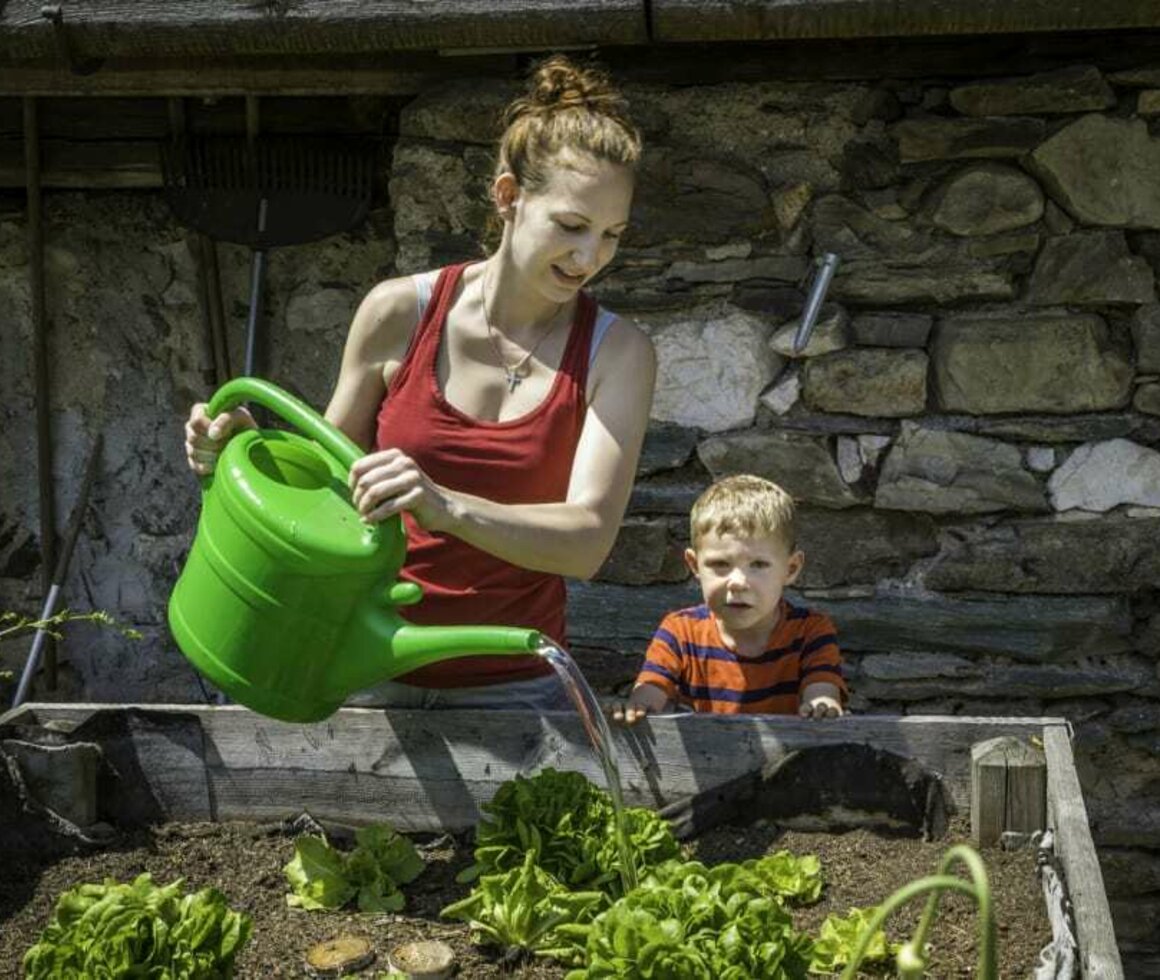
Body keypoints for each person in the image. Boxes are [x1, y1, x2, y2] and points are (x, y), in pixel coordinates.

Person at [184, 55, 656, 711]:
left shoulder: (618, 353)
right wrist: (237, 453)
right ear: (508, 197)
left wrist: (445, 506)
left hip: (517, 685)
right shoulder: (398, 314)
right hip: (361, 666)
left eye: (612, 236)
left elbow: (587, 542)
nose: (589, 259)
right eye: (572, 227)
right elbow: (326, 488)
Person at [611, 474, 848, 723]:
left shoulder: (810, 631)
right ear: (694, 565)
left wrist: (822, 704)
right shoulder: (680, 632)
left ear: (790, 569)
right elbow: (649, 696)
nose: (737, 582)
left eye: (758, 564)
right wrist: (636, 708)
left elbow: (822, 692)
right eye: (720, 564)